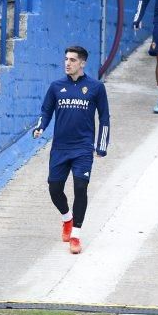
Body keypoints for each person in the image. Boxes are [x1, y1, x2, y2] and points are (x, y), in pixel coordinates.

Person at [33, 46, 110, 254]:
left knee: (80, 187)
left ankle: (75, 235)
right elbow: (46, 110)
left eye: (73, 60)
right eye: (66, 59)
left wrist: (101, 145)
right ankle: (67, 218)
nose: (68, 63)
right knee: (54, 188)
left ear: (82, 63)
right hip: (60, 148)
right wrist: (40, 126)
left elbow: (104, 117)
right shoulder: (56, 86)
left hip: (83, 148)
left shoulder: (96, 87)